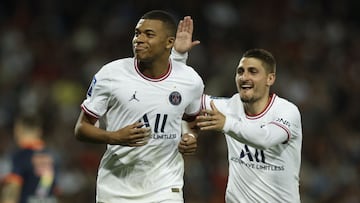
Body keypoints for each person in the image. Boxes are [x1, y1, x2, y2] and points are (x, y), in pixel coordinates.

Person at [74, 10, 204, 203]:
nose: (139, 39)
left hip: (165, 186)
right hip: (116, 187)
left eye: (148, 34)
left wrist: (190, 136)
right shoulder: (111, 74)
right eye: (137, 33)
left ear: (169, 42)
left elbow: (193, 121)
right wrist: (115, 137)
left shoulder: (190, 80)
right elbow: (81, 128)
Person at [174, 40, 302, 201]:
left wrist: (226, 124)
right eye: (240, 71)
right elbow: (186, 102)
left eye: (253, 72)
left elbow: (265, 138)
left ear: (270, 78)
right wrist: (178, 58)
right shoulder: (230, 106)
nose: (244, 77)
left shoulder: (286, 111)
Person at [0, 114, 58, 203]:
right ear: (39, 131)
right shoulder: (54, 156)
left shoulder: (19, 157)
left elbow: (12, 190)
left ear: (18, 130)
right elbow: (56, 190)